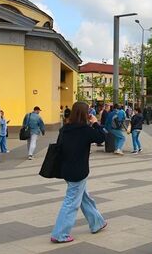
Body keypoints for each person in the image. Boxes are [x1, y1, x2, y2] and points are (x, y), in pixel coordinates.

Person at [50, 101, 107, 243]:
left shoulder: (64, 129)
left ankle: (97, 223)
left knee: (83, 197)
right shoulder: (85, 130)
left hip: (66, 170)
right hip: (79, 171)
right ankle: (60, 234)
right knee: (71, 202)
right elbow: (102, 138)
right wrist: (95, 123)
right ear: (86, 114)